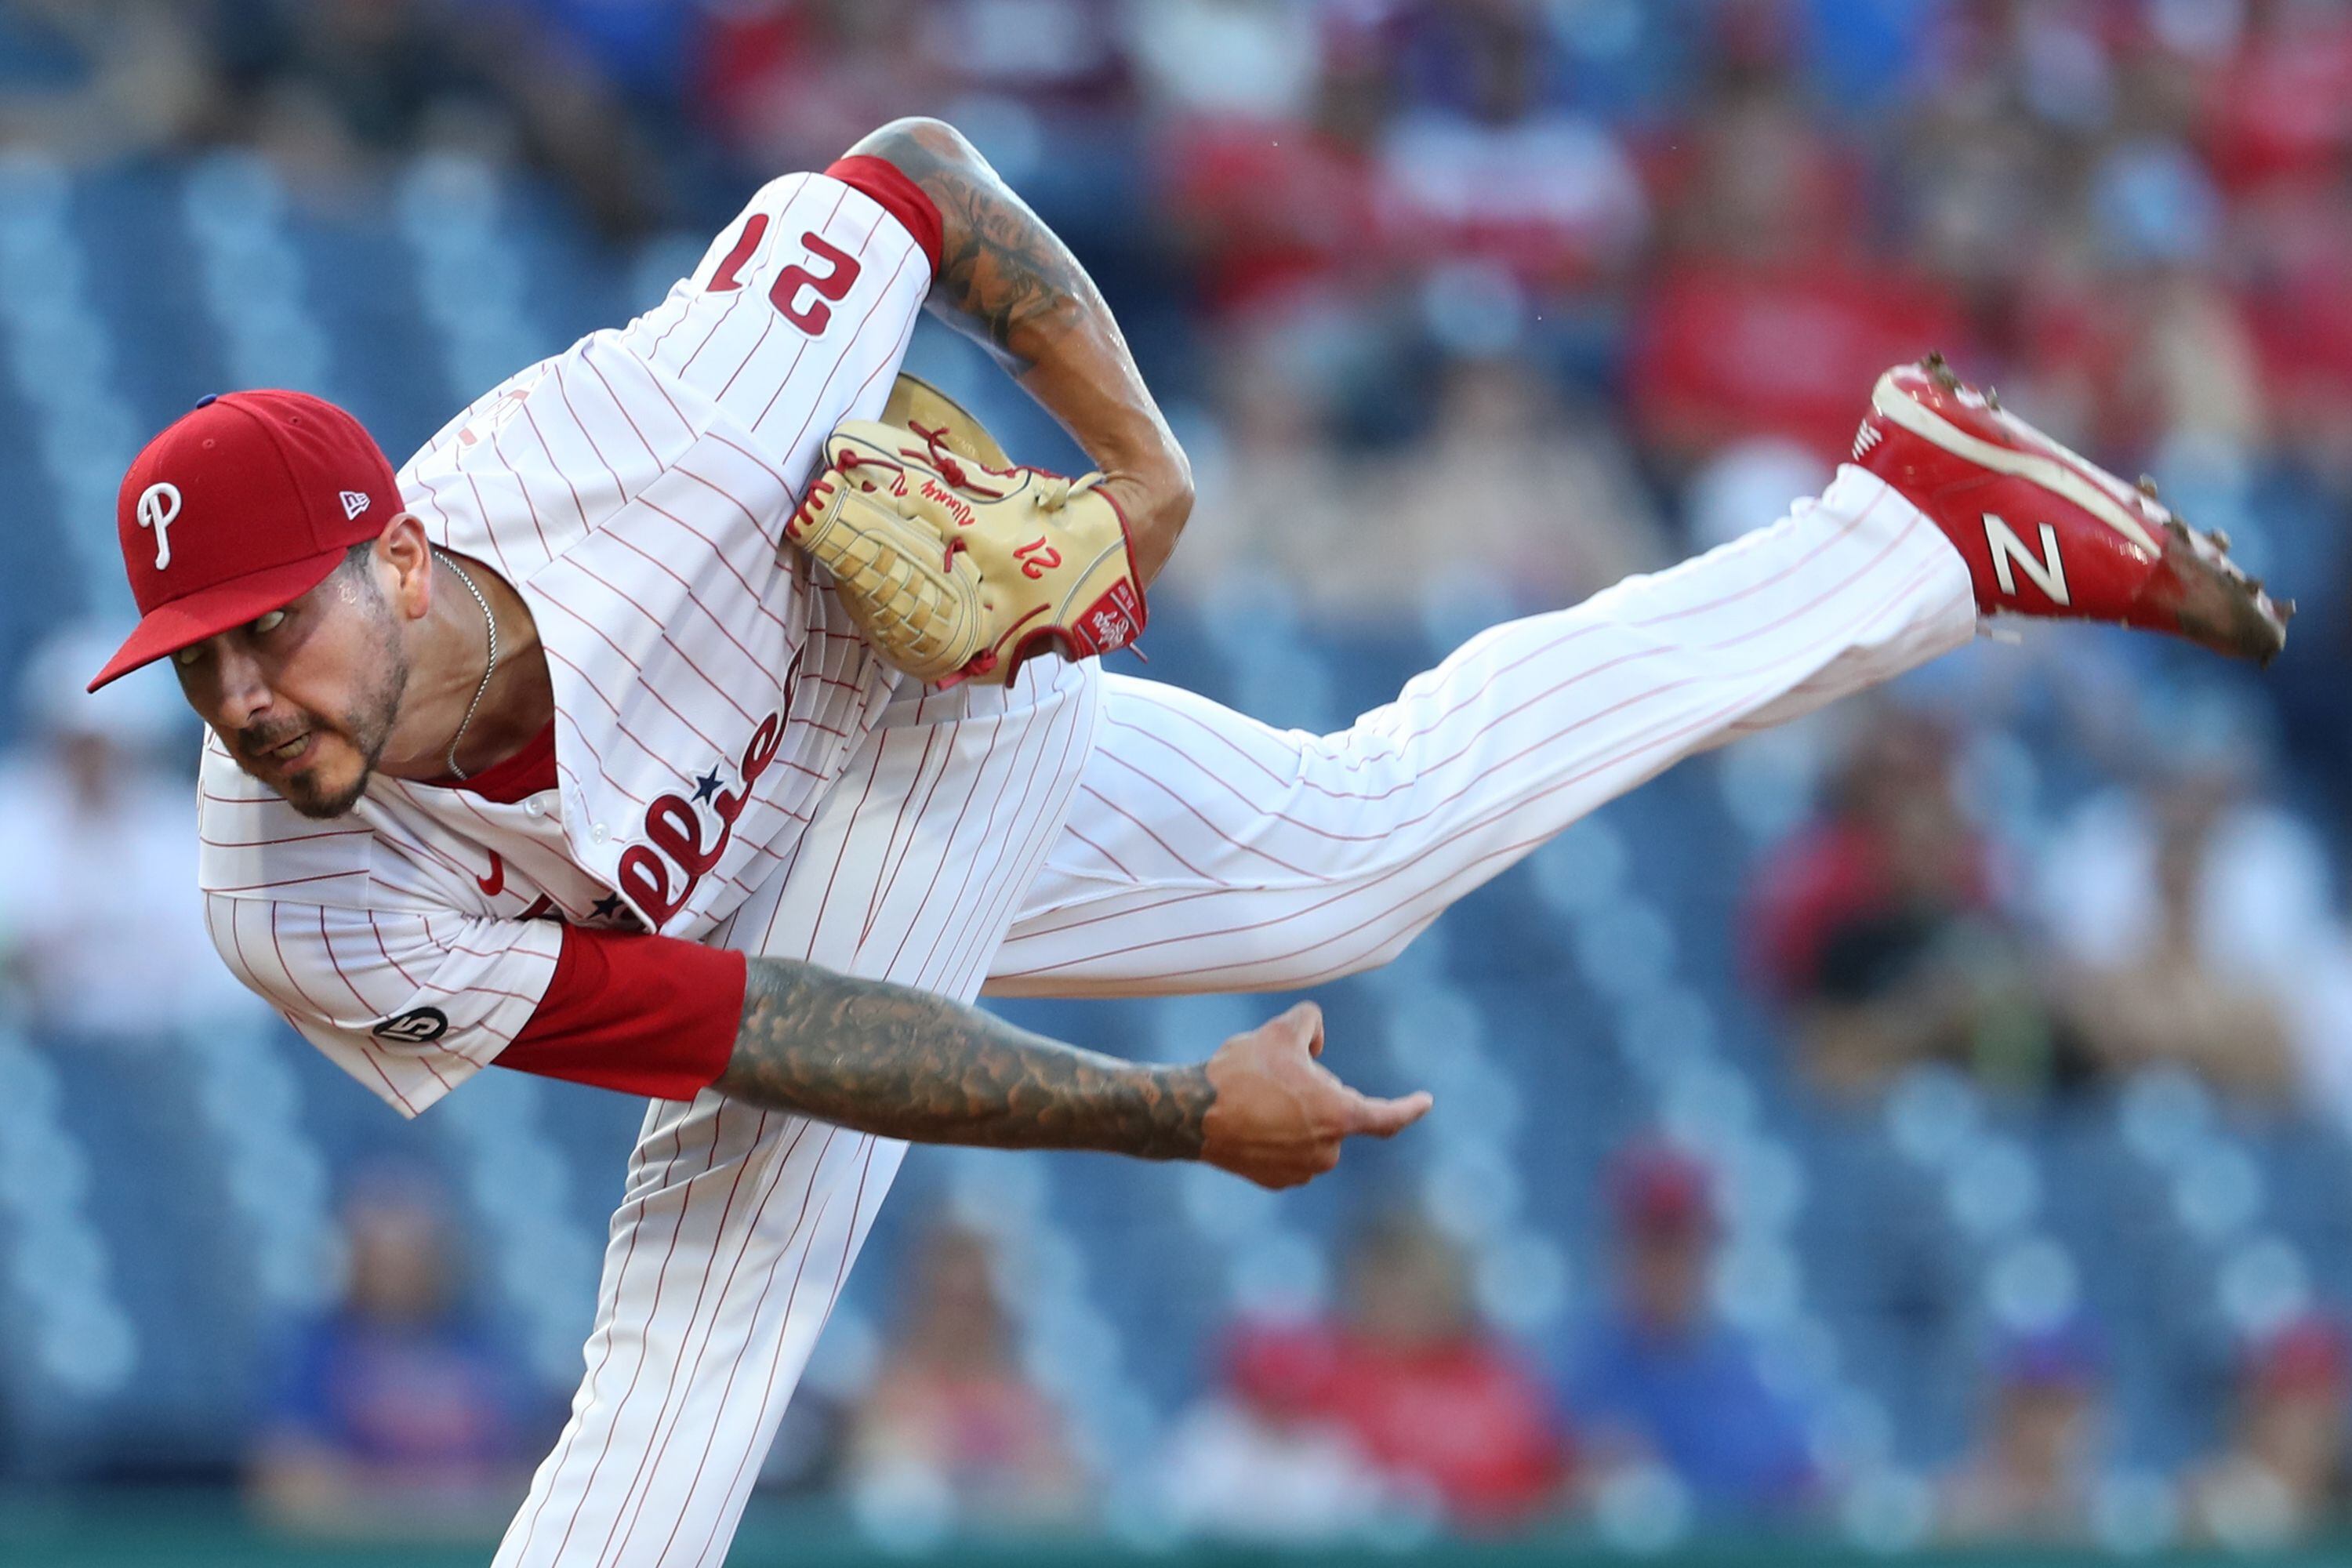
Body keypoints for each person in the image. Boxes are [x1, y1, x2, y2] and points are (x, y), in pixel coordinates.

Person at [89, 110, 2284, 1564]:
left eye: (266, 632)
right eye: (196, 665)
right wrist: (1163, 1117)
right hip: (763, 912)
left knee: (721, 1272)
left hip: (918, 677)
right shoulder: (286, 886)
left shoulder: (647, 440)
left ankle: (1912, 535)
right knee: (1355, 851)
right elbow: (745, 1026)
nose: (244, 699)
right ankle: (1908, 540)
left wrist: (1138, 466)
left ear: (384, 555)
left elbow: (919, 180)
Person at [249, 1174, 542, 1537]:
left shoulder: (480, 1347)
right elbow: (291, 1483)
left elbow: (525, 1477)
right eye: (382, 1258)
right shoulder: (318, 1352)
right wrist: (431, 1507)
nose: (398, 1273)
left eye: (413, 1255)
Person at [1562, 1143, 1815, 1519]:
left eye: (1686, 1245)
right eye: (1654, 1245)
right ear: (1619, 1251)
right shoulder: (1577, 1372)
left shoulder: (1756, 1374)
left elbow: (1811, 1491)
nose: (1671, 1266)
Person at [844, 1222, 1090, 1532]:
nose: (960, 1320)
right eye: (949, 1301)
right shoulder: (888, 1390)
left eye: (973, 1303)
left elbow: (1063, 1494)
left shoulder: (1025, 1397)